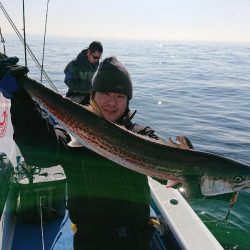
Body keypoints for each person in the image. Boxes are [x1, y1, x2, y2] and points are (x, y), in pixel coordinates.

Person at [0, 56, 192, 249]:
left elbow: (165, 165)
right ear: (93, 96)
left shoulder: (141, 135)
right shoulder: (74, 134)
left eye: (120, 96)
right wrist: (22, 101)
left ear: (127, 101)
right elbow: (39, 152)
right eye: (105, 93)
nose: (112, 102)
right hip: (90, 241)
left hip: (137, 239)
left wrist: (190, 172)